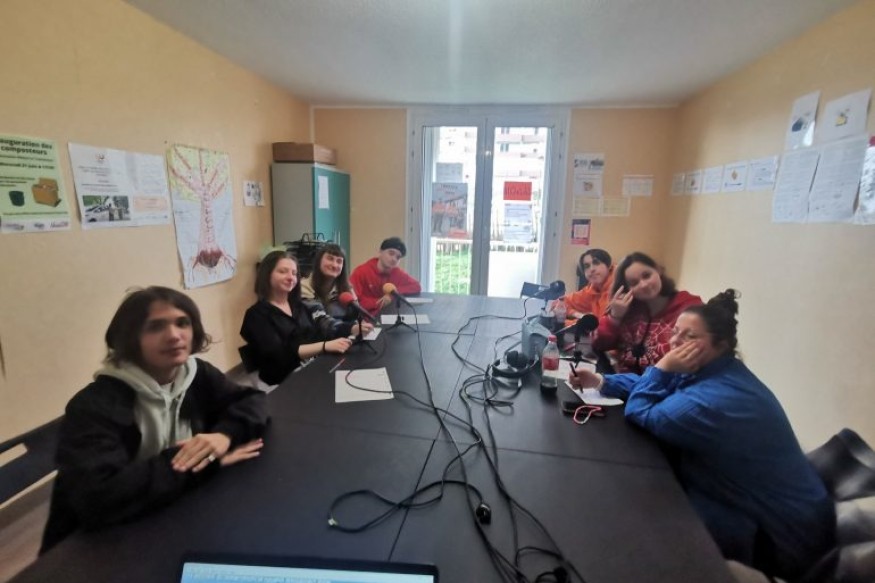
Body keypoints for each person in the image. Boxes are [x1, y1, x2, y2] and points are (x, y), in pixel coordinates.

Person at [569, 290, 835, 580]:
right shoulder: (715, 369)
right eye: (675, 332)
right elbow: (661, 385)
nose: (675, 342)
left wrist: (662, 366)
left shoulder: (715, 401)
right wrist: (602, 381)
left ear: (721, 344)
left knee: (642, 520)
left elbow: (641, 410)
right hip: (750, 499)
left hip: (783, 537)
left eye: (690, 336)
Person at [41, 287, 268, 552]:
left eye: (182, 323)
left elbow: (252, 401)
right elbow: (100, 498)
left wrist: (223, 435)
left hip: (171, 511)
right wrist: (206, 462)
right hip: (94, 546)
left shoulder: (196, 374)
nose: (174, 335)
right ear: (130, 337)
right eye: (155, 326)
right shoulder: (93, 406)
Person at [240, 251, 373, 385]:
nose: (290, 277)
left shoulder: (301, 306)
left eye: (294, 273)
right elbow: (280, 355)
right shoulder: (256, 315)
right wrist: (324, 346)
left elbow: (323, 330)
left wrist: (353, 328)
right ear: (267, 274)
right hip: (285, 380)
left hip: (313, 368)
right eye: (283, 272)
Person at [594, 251, 701, 373]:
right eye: (634, 283)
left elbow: (696, 355)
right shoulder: (627, 308)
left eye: (647, 275)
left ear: (658, 270)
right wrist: (615, 317)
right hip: (621, 380)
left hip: (667, 381)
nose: (644, 285)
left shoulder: (689, 307)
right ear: (626, 289)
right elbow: (598, 344)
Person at [349, 237, 421, 314]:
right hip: (365, 317)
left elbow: (416, 286)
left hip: (389, 315)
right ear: (380, 252)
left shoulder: (397, 272)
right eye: (391, 253)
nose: (394, 259)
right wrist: (379, 302)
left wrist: (393, 294)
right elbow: (352, 300)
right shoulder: (361, 272)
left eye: (398, 257)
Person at [552, 248, 615, 327]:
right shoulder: (592, 290)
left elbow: (601, 327)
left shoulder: (619, 288)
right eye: (587, 266)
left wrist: (565, 323)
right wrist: (577, 314)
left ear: (609, 266)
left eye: (596, 263)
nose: (591, 269)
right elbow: (559, 302)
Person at [300, 243, 355, 320]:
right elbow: (319, 320)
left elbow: (356, 316)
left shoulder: (347, 288)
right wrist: (350, 327)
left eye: (339, 261)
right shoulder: (304, 287)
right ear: (319, 261)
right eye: (330, 259)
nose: (334, 265)